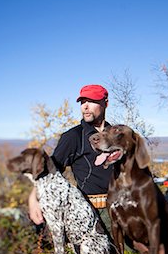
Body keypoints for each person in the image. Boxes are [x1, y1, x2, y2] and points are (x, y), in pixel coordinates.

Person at [28, 84, 113, 238]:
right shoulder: (73, 136)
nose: (85, 107)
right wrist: (33, 198)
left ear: (105, 103)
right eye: (82, 102)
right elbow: (50, 170)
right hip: (93, 214)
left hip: (123, 210)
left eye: (91, 101)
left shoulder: (116, 135)